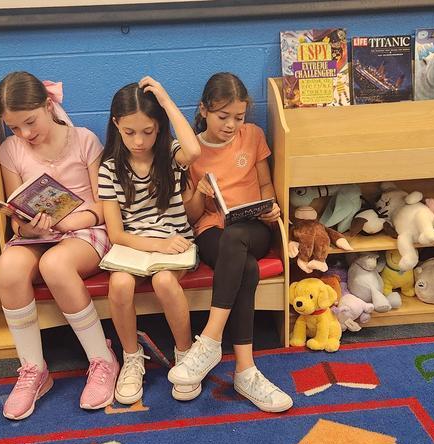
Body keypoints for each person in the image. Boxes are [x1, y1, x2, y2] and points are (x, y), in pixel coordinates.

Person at [0, 71, 118, 420]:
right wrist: (30, 229)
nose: (25, 134)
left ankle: (102, 358)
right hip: (37, 236)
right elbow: (16, 216)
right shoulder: (11, 149)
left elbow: (103, 205)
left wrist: (72, 222)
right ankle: (34, 369)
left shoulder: (83, 140)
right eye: (15, 128)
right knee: (9, 266)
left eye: (30, 122)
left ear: (48, 105)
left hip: (85, 231)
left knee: (55, 265)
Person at [168, 72, 294, 413]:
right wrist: (198, 194)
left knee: (238, 236)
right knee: (245, 267)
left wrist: (271, 208)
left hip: (253, 226)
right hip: (212, 229)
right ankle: (245, 370)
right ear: (204, 110)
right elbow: (193, 216)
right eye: (223, 117)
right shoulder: (192, 150)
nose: (231, 125)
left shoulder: (252, 136)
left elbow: (266, 185)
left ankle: (209, 340)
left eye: (238, 117)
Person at [98, 77, 202, 405]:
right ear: (116, 125)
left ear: (160, 127)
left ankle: (185, 355)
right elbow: (116, 234)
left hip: (176, 245)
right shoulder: (110, 168)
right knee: (120, 287)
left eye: (148, 131)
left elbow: (195, 150)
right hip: (134, 248)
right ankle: (131, 357)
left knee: (165, 281)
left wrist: (167, 101)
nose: (139, 141)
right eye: (129, 132)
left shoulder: (170, 154)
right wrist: (155, 244)